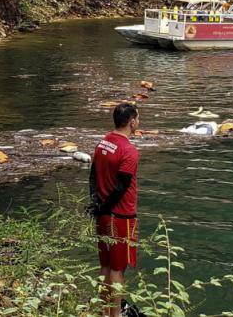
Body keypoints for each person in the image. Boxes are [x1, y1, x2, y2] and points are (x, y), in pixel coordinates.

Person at [88, 103, 140, 317]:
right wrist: (106, 206)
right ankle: (115, 314)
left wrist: (96, 204)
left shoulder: (103, 143)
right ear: (132, 122)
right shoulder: (129, 150)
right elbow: (121, 187)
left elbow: (92, 175)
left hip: (102, 213)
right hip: (121, 216)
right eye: (138, 118)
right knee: (118, 269)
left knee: (105, 265)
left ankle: (103, 311)